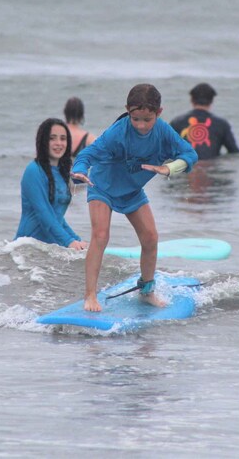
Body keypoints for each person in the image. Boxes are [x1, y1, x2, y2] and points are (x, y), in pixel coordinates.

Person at [71, 84, 198, 311]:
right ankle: (90, 295)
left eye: (146, 119)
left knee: (150, 238)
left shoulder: (164, 132)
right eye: (135, 118)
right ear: (127, 110)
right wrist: (79, 171)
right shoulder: (117, 132)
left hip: (131, 191)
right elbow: (88, 154)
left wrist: (169, 169)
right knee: (100, 235)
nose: (140, 125)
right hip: (103, 186)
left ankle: (146, 291)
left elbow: (190, 154)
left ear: (159, 113)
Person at [14, 118, 87, 250]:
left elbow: (57, 217)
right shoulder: (33, 171)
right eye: (52, 138)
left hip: (49, 249)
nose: (58, 143)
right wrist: (69, 241)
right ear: (43, 141)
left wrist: (76, 239)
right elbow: (44, 213)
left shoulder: (62, 173)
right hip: (27, 249)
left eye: (63, 138)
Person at [169, 83, 239, 160]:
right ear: (212, 100)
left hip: (187, 167)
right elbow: (234, 152)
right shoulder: (221, 124)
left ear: (191, 99)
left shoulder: (177, 122)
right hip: (210, 167)